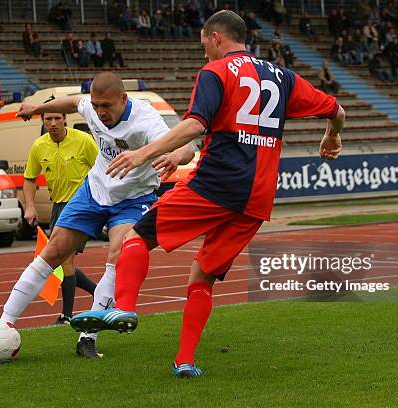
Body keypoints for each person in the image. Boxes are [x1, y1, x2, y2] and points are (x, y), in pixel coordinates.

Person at [70, 10, 345, 377]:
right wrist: (332, 134)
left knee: (137, 237)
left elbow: (195, 124)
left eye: (203, 44)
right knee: (202, 276)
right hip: (258, 197)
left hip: (216, 184)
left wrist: (143, 153)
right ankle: (185, 361)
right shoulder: (283, 77)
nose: (203, 53)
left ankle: (125, 307)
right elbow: (337, 109)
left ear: (217, 37)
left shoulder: (215, 73)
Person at [1, 71, 195, 358]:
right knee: (54, 250)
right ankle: (2, 323)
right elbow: (71, 103)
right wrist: (36, 108)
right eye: (97, 105)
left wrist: (175, 157)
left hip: (133, 197)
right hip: (94, 190)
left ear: (123, 99)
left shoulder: (146, 120)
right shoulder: (91, 106)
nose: (100, 112)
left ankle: (87, 337)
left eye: (107, 106)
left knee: (118, 254)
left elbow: (188, 147)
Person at [23, 101, 99, 324]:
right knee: (60, 260)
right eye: (48, 119)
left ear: (65, 118)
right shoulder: (39, 146)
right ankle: (100, 293)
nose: (53, 123)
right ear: (42, 121)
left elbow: (102, 169)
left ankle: (67, 315)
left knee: (64, 260)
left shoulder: (83, 141)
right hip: (58, 206)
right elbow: (29, 179)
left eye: (57, 118)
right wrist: (30, 205)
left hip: (82, 204)